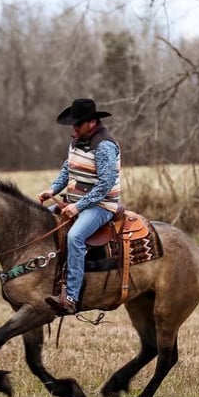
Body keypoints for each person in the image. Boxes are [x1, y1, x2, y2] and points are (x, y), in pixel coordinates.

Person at [38, 98, 122, 315]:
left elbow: (105, 184)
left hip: (101, 206)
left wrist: (78, 207)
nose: (73, 129)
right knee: (40, 223)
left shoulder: (104, 146)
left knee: (75, 236)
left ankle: (71, 297)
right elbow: (68, 168)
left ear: (92, 122)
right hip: (76, 202)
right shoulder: (77, 139)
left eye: (77, 124)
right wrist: (53, 190)